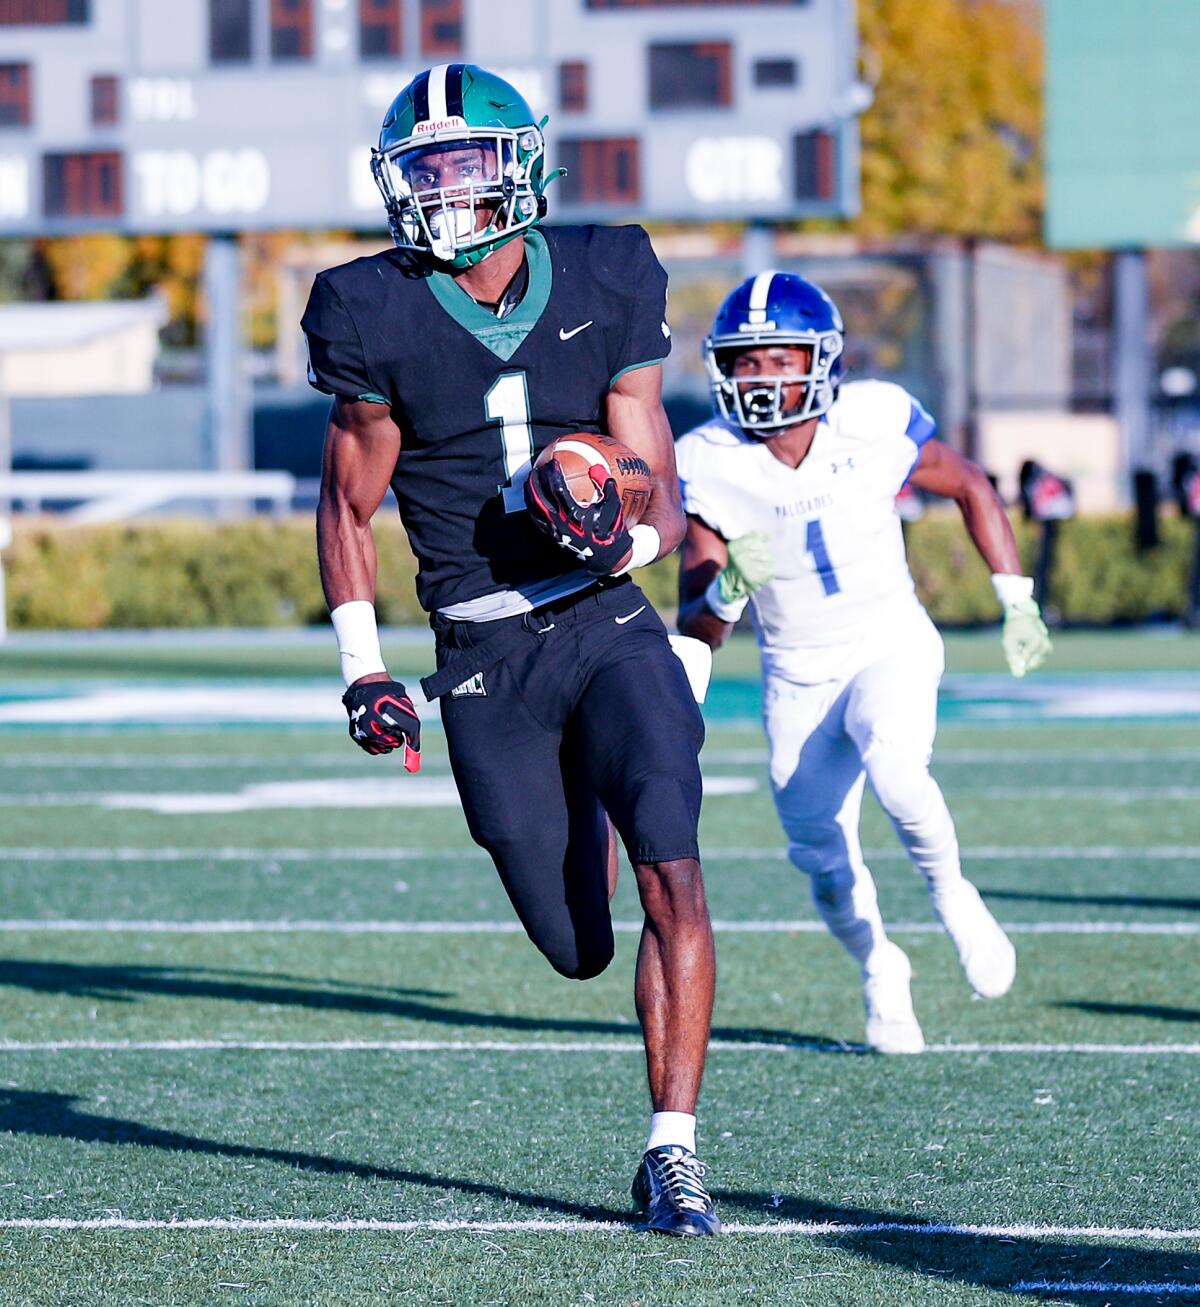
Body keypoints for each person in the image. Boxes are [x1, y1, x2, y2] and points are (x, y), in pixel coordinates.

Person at [302, 64, 720, 1235]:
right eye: (421, 170)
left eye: (461, 164)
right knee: (578, 943)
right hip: (483, 651)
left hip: (604, 616)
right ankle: (574, 785)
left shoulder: (607, 269)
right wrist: (363, 666)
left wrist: (620, 517)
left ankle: (673, 1151)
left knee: (673, 862)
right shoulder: (366, 306)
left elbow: (662, 489)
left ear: (520, 165)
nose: (440, 192)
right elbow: (346, 507)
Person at [675, 271, 1053, 1054]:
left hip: (887, 640)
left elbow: (972, 484)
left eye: (779, 359)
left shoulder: (873, 420)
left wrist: (1017, 599)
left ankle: (954, 895)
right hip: (796, 672)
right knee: (820, 857)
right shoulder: (706, 460)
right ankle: (882, 966)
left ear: (822, 360)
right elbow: (698, 621)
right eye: (746, 362)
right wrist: (733, 584)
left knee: (898, 770)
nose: (761, 379)